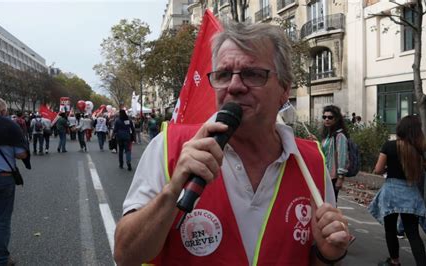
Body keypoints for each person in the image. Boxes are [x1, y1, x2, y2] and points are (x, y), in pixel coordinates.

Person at [114, 22, 349, 265]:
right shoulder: (170, 146)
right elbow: (125, 255)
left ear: (283, 90)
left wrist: (326, 255)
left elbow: (312, 257)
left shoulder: (309, 162)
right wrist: (173, 190)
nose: (234, 86)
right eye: (224, 75)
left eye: (253, 74)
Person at [369, 115, 426, 266]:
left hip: (391, 193)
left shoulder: (389, 146)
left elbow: (378, 169)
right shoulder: (421, 149)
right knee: (413, 233)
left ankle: (394, 261)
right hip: (411, 192)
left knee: (390, 230)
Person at [0, 97, 30, 265]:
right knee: (1, 220)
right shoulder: (9, 126)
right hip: (2, 177)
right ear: (1, 110)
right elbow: (22, 154)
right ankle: (1, 259)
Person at [320, 105, 349, 201]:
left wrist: (340, 178)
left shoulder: (340, 136)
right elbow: (324, 153)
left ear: (336, 119)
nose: (327, 119)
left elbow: (342, 157)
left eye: (330, 117)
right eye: (324, 117)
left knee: (330, 204)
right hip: (324, 175)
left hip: (333, 177)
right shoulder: (327, 136)